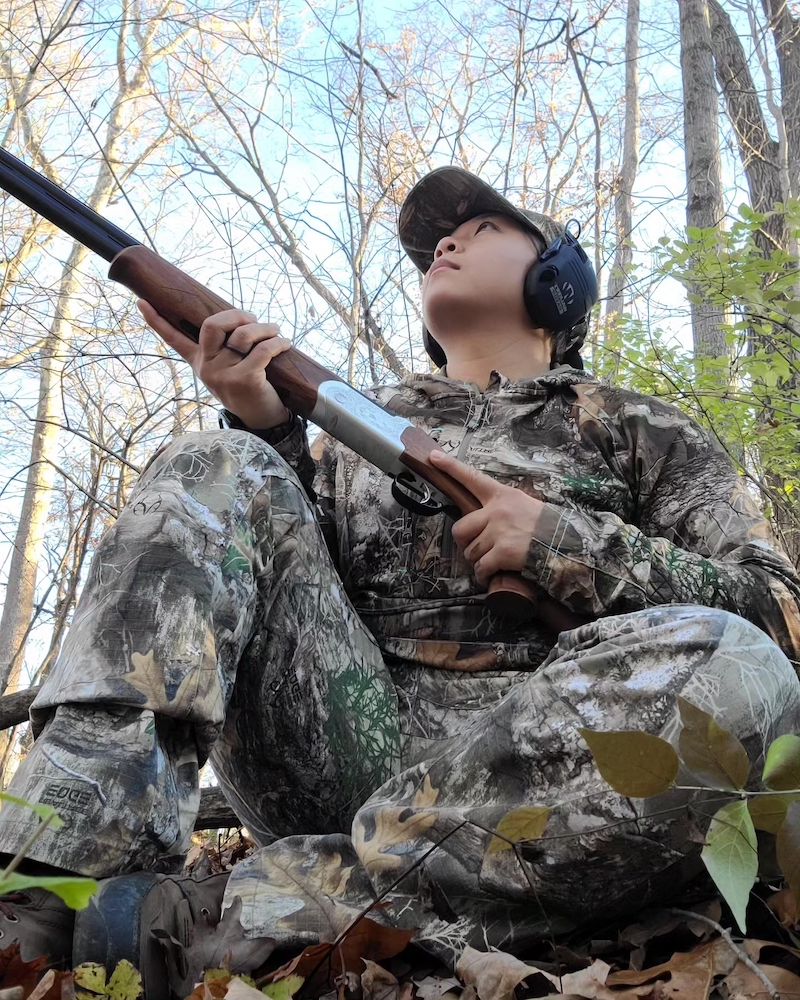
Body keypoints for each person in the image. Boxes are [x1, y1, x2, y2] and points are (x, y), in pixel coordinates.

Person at [1, 166, 799, 995]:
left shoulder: (642, 428)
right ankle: (53, 882)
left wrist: (564, 543)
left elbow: (779, 612)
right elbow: (288, 608)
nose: (444, 245)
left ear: (559, 279)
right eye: (430, 247)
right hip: (349, 753)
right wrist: (263, 429)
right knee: (214, 461)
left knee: (738, 666)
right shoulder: (351, 435)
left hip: (564, 779)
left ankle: (244, 910)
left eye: (483, 227)